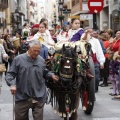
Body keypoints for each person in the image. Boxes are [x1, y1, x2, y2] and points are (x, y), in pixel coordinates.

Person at [5, 39, 58, 120]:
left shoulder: (41, 60)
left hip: (38, 96)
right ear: (29, 48)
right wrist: (12, 84)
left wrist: (51, 75)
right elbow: (10, 74)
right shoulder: (18, 59)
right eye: (34, 51)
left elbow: (44, 72)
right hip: (22, 96)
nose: (36, 53)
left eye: (38, 51)